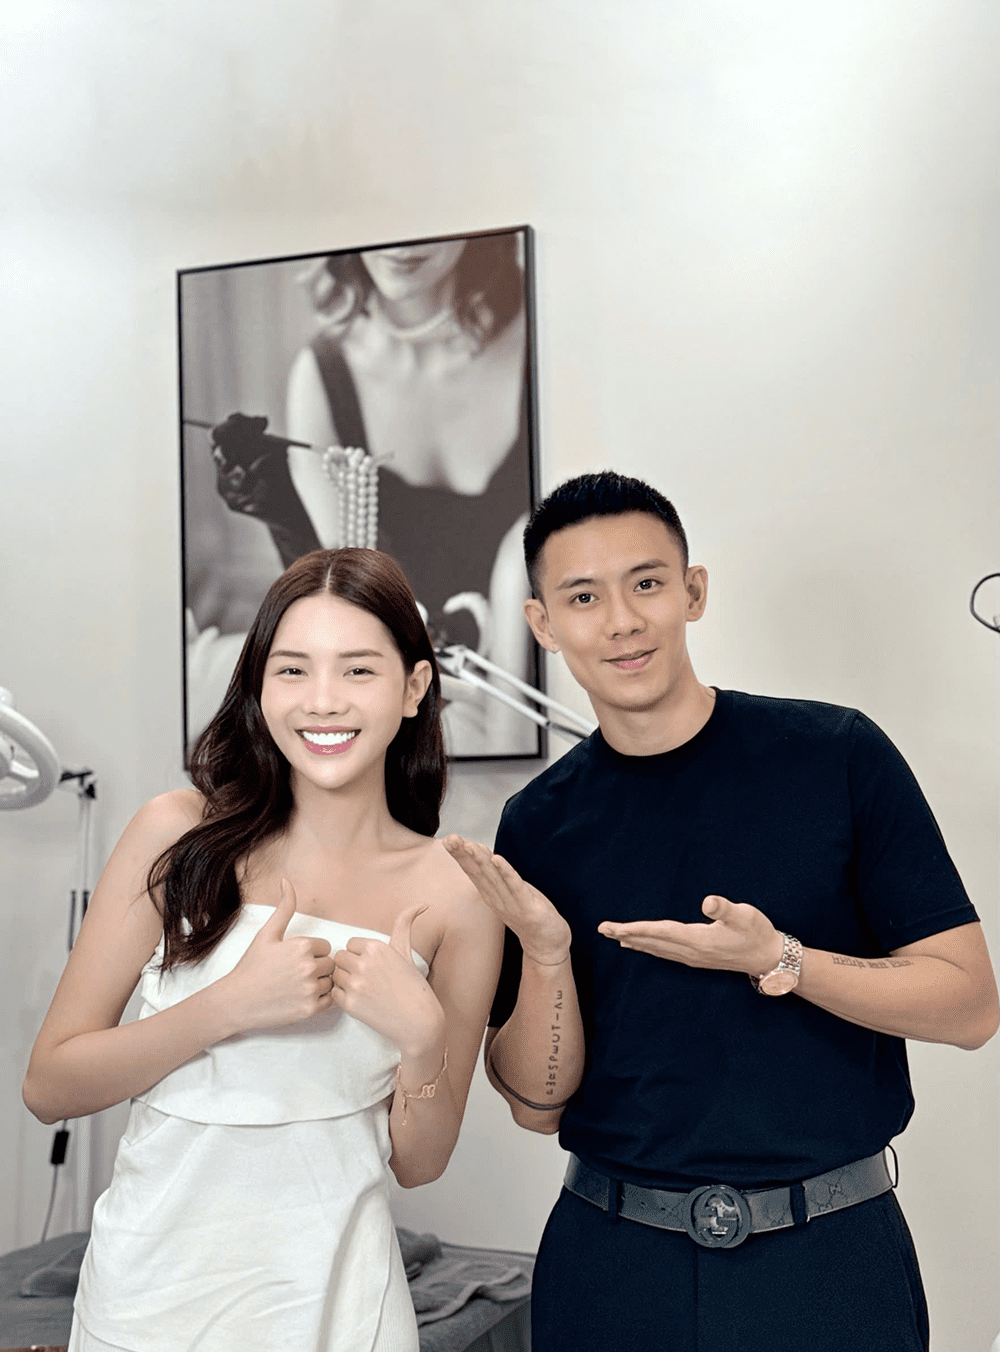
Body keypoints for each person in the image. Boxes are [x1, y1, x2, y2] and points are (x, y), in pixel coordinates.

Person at [442, 471, 999, 1352]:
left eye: (647, 583)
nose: (621, 620)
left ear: (692, 592)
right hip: (613, 1265)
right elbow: (537, 1106)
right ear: (542, 623)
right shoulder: (538, 823)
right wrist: (546, 956)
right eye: (583, 597)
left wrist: (781, 960)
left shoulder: (835, 756)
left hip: (829, 1263)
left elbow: (969, 1006)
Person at [23, 548, 503, 1352]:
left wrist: (423, 1041)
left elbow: (420, 1163)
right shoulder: (175, 835)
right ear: (258, 686)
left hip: (340, 1311)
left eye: (358, 670)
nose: (323, 701)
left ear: (414, 687)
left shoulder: (456, 894)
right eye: (292, 670)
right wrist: (228, 1006)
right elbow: (50, 1085)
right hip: (144, 1306)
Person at [207, 232, 534, 757]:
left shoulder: (537, 341)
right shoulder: (323, 375)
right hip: (394, 677)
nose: (400, 244)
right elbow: (346, 588)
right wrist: (283, 511)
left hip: (530, 666)